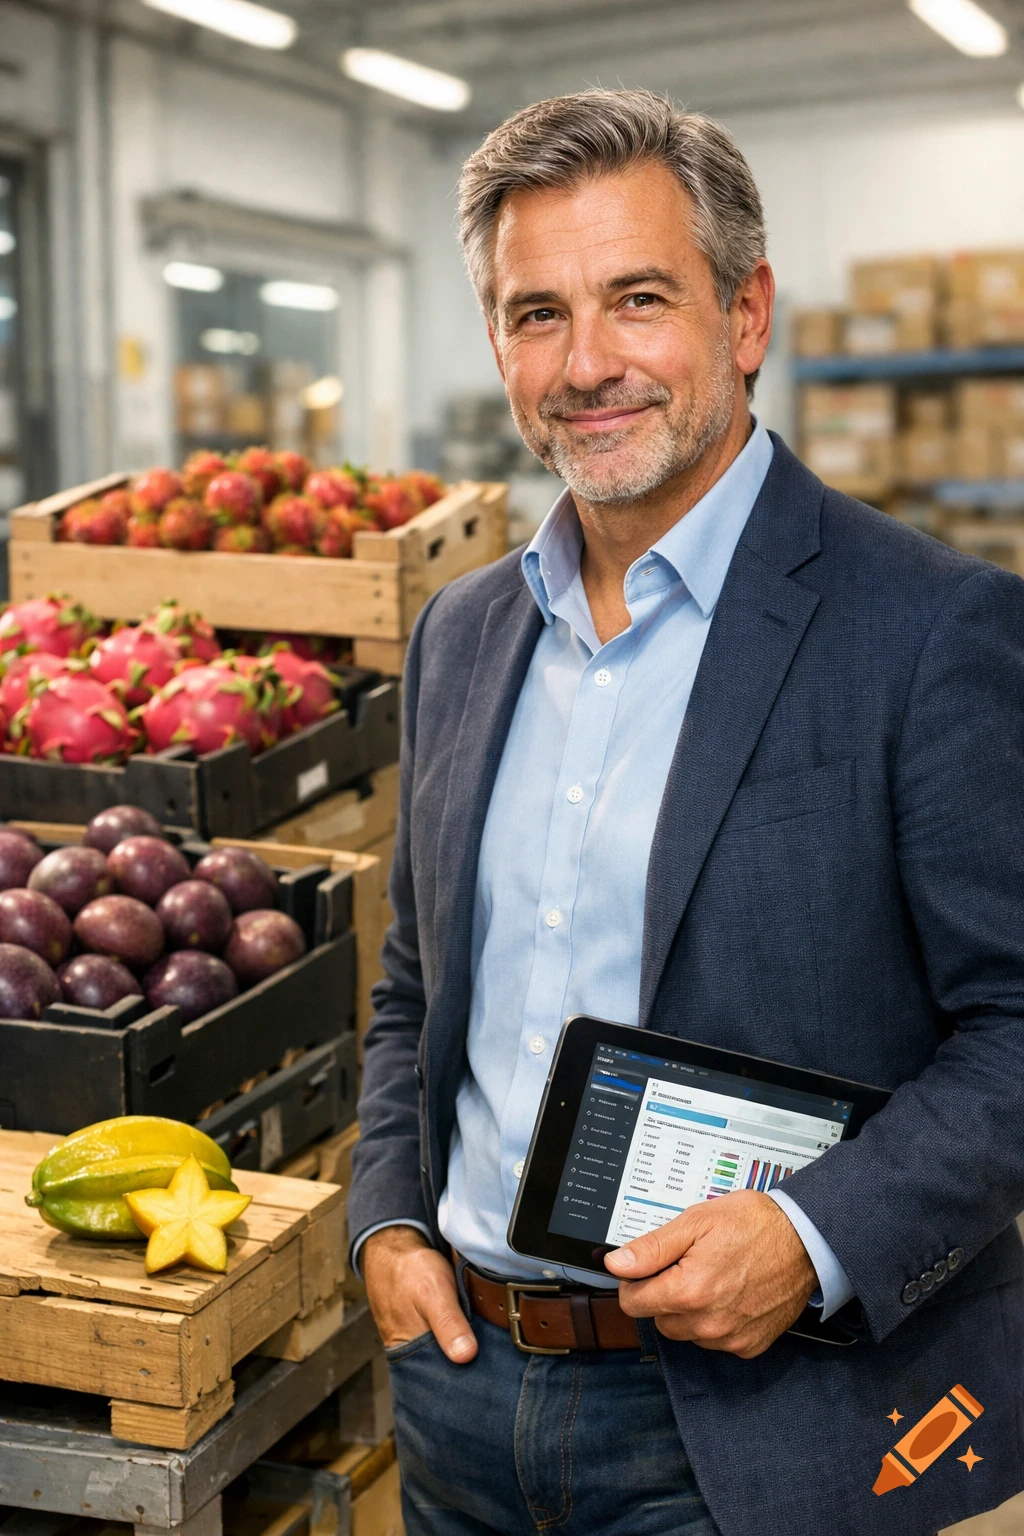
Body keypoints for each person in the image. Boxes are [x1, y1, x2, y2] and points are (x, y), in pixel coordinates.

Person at [349, 88, 1024, 1536]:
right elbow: (416, 989)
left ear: (745, 313)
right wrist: (387, 1220)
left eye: (638, 299)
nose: (588, 364)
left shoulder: (928, 630)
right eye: (538, 314)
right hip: (462, 1390)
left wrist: (811, 1235)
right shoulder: (463, 633)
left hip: (751, 1428)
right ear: (498, 346)